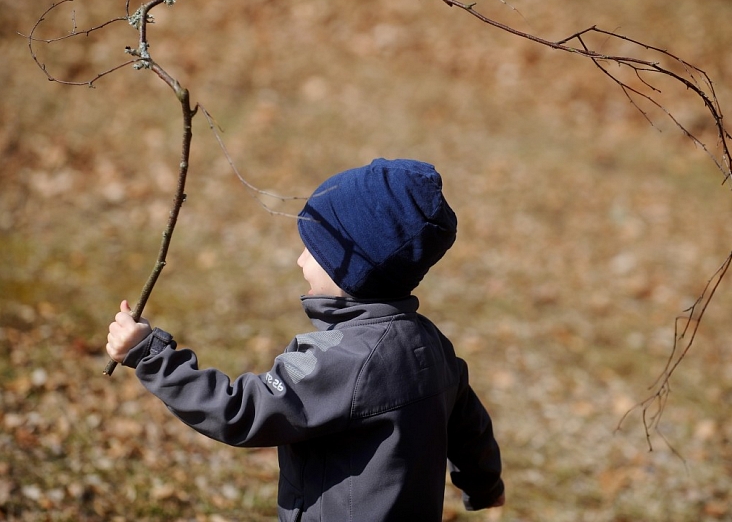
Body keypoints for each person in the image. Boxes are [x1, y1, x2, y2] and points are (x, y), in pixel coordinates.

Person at [106, 158, 505, 521]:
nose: (299, 260)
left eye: (312, 251)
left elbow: (243, 411)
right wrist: (484, 485)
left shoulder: (344, 360)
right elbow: (469, 424)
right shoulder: (430, 343)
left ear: (353, 270)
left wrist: (148, 354)